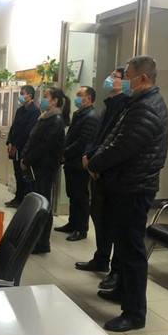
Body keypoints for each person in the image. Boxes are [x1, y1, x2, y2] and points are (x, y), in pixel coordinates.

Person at [87, 55, 168, 332]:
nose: (123, 80)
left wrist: (95, 163)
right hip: (124, 184)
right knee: (122, 245)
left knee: (132, 250)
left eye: (127, 75)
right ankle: (122, 291)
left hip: (134, 187)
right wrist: (97, 158)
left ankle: (134, 313)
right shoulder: (137, 103)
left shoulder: (147, 108)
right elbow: (113, 137)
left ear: (142, 78)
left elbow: (123, 147)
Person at [74, 68, 128, 291]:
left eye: (116, 76)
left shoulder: (126, 106)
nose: (110, 79)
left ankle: (116, 270)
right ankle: (101, 257)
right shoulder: (108, 106)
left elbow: (115, 142)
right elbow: (97, 137)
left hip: (111, 172)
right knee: (99, 216)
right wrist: (88, 155)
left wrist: (96, 162)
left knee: (116, 224)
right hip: (96, 168)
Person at [20, 87, 67, 254]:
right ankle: (35, 237)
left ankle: (42, 242)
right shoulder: (45, 117)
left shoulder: (56, 120)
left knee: (43, 204)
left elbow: (44, 146)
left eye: (46, 97)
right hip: (37, 165)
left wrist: (28, 159)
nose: (42, 99)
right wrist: (24, 156)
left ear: (54, 101)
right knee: (37, 201)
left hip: (45, 167)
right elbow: (33, 139)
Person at [55, 86, 99, 241]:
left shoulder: (91, 117)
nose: (77, 98)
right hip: (71, 162)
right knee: (72, 195)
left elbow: (83, 142)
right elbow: (71, 137)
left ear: (88, 98)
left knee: (80, 197)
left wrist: (65, 153)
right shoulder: (80, 114)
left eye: (80, 95)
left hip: (79, 163)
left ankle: (81, 229)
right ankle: (72, 223)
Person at [5, 85, 40, 208]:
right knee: (17, 173)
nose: (20, 96)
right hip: (15, 147)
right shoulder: (20, 110)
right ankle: (18, 197)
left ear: (29, 96)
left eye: (22, 93)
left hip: (24, 148)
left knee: (24, 174)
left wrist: (16, 145)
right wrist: (10, 142)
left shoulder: (34, 111)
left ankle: (25, 199)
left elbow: (27, 131)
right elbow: (13, 127)